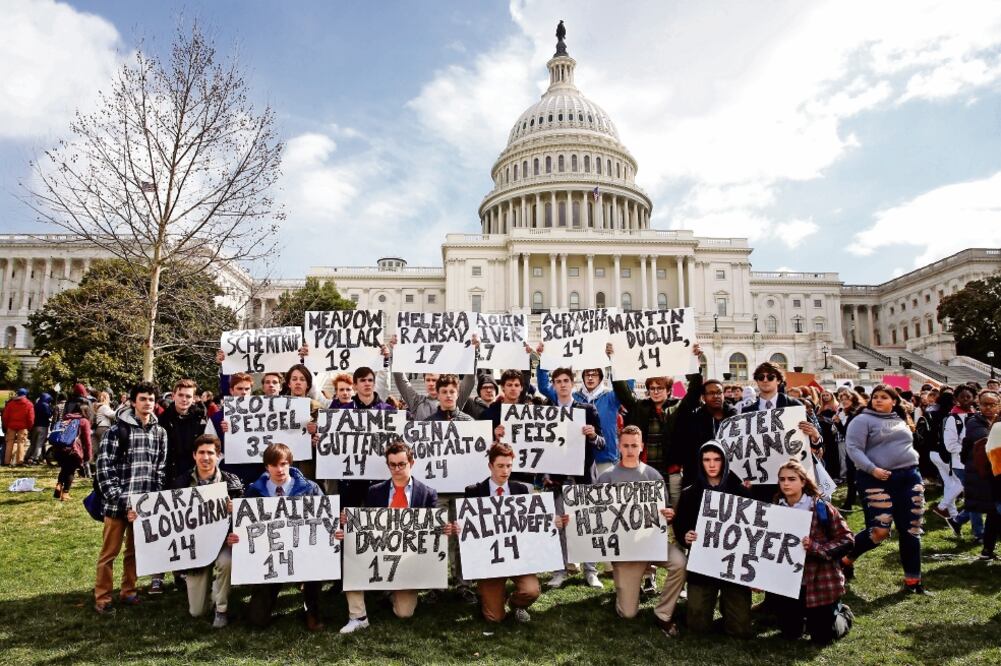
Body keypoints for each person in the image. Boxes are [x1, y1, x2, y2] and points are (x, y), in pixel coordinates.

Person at [339, 439, 457, 633]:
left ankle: (390, 592)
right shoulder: (375, 491)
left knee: (404, 613)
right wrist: (350, 523)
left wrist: (444, 529)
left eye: (402, 464)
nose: (397, 469)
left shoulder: (428, 494)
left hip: (408, 560)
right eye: (392, 465)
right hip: (378, 553)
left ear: (412, 463)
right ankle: (358, 616)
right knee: (351, 557)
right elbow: (365, 526)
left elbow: (432, 529)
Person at [126, 434, 243, 627]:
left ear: (218, 456)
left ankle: (221, 608)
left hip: (222, 544)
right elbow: (162, 514)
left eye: (211, 453)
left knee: (226, 561)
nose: (206, 458)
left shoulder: (233, 483)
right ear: (194, 455)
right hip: (194, 549)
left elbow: (245, 519)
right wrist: (138, 516)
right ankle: (211, 594)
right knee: (197, 612)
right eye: (202, 453)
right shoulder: (180, 482)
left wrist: (235, 511)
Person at [593, 425, 686, 636]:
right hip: (626, 551)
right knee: (628, 614)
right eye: (625, 445)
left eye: (634, 445)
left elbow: (663, 510)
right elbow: (595, 516)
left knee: (680, 562)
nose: (630, 450)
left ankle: (663, 613)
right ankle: (625, 588)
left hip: (651, 543)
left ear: (641, 446)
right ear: (619, 446)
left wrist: (668, 514)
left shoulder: (652, 475)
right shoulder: (606, 477)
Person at [841, 384, 927, 594]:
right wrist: (872, 469)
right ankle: (845, 558)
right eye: (875, 397)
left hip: (908, 477)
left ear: (894, 401)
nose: (878, 400)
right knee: (879, 531)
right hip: (875, 479)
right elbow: (853, 449)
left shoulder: (900, 419)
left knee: (911, 530)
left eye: (884, 397)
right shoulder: (862, 420)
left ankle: (913, 581)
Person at [93, 382, 168, 614]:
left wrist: (152, 501)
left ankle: (129, 590)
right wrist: (122, 501)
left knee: (134, 552)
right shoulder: (117, 431)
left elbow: (160, 469)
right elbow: (104, 468)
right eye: (143, 399)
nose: (147, 403)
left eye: (151, 400)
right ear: (133, 402)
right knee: (109, 554)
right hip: (117, 505)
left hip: (143, 506)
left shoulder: (160, 433)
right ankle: (103, 597)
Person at [233, 442, 324, 631]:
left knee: (315, 571)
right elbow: (245, 526)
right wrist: (236, 536)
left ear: (290, 464)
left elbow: (325, 519)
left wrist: (334, 531)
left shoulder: (310, 488)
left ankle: (311, 612)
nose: (279, 469)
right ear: (267, 467)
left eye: (283, 464)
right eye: (274, 465)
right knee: (257, 621)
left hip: (303, 551)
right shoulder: (254, 491)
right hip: (269, 554)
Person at [534, 367, 606, 589]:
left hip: (583, 477)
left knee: (588, 524)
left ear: (573, 384)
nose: (563, 384)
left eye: (566, 380)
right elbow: (541, 447)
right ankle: (560, 570)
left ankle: (591, 570)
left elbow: (603, 443)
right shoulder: (546, 412)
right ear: (553, 385)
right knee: (560, 525)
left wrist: (592, 435)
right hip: (557, 479)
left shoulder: (588, 409)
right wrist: (544, 474)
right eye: (558, 381)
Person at [675, 440, 752, 638]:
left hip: (733, 565)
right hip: (703, 564)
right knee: (697, 626)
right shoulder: (689, 493)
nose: (711, 464)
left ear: (724, 462)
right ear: (700, 462)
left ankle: (729, 607)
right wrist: (686, 536)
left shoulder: (741, 492)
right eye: (706, 459)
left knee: (740, 629)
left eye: (717, 459)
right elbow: (680, 524)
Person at [772, 459, 854, 644]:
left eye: (792, 479)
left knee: (823, 636)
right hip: (790, 584)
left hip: (819, 582)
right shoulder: (774, 508)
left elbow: (847, 539)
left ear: (803, 481)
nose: (786, 483)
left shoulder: (820, 507)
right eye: (782, 479)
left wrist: (816, 547)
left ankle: (842, 614)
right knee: (790, 634)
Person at [460, 443, 541, 623]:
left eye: (509, 466)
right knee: (494, 618)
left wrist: (552, 521)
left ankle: (516, 603)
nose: (505, 471)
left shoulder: (522, 490)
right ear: (490, 466)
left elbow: (533, 521)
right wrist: (460, 527)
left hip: (517, 556)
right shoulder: (474, 492)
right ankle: (490, 596)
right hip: (490, 560)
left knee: (531, 591)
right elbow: (469, 527)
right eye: (500, 466)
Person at [535, 346, 623, 476]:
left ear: (600, 377)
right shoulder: (572, 396)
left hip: (605, 459)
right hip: (578, 462)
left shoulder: (611, 397)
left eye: (594, 374)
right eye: (587, 374)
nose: (590, 378)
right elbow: (544, 387)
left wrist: (614, 359)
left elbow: (627, 389)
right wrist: (544, 359)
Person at [742, 362, 821, 503]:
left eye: (770, 377)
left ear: (778, 380)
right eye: (761, 377)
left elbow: (812, 442)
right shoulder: (747, 411)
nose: (765, 380)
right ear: (757, 381)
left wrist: (815, 436)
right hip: (761, 476)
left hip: (790, 475)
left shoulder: (794, 405)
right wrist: (745, 473)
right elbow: (744, 446)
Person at [932, 384, 983, 539]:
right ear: (956, 399)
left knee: (978, 496)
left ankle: (958, 520)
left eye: (969, 397)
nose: (966, 400)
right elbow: (950, 444)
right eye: (962, 397)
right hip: (961, 464)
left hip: (978, 462)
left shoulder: (977, 415)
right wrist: (970, 450)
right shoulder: (952, 419)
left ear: (974, 398)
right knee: (976, 497)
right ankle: (978, 532)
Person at [674, 376, 737, 488]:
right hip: (701, 480)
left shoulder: (736, 417)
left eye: (719, 392)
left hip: (730, 480)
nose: (716, 396)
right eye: (711, 393)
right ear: (703, 397)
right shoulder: (695, 420)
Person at [962, 390, 1000, 555]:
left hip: (992, 473)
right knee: (985, 508)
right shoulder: (975, 422)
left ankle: (987, 548)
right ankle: (979, 536)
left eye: (993, 404)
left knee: (993, 512)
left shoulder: (997, 423)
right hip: (984, 472)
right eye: (985, 404)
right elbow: (987, 446)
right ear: (979, 404)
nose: (989, 408)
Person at [52, 397, 93, 501]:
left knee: (64, 468)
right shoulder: (84, 422)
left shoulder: (66, 419)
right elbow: (87, 441)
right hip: (72, 450)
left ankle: (59, 484)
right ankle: (65, 493)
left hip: (59, 448)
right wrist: (88, 456)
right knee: (71, 471)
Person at [2, 388, 34, 466]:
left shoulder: (11, 404)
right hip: (23, 427)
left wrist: (6, 426)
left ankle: (6, 462)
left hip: (11, 426)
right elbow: (31, 418)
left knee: (9, 443)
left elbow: (5, 416)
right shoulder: (29, 404)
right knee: (21, 443)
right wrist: (29, 427)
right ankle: (20, 461)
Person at [27, 392, 52, 465]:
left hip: (35, 426)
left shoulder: (36, 405)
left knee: (33, 443)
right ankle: (34, 458)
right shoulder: (46, 405)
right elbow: (49, 414)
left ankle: (27, 456)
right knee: (39, 444)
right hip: (43, 426)